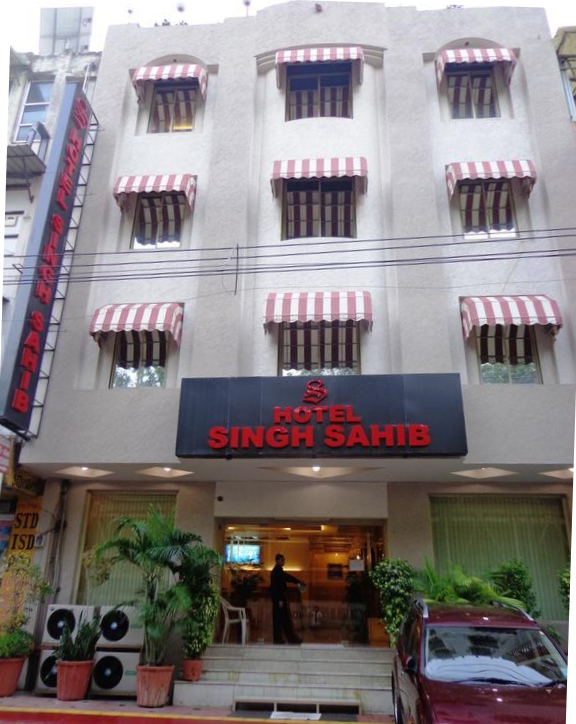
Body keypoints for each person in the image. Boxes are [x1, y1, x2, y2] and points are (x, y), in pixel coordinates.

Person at [270, 553, 305, 644]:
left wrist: (298, 582)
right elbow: (276, 588)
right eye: (282, 560)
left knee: (280, 620)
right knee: (284, 620)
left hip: (278, 600)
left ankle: (280, 639)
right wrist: (280, 600)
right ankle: (289, 639)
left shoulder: (277, 571)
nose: (284, 562)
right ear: (277, 560)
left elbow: (288, 578)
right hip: (279, 600)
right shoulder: (277, 572)